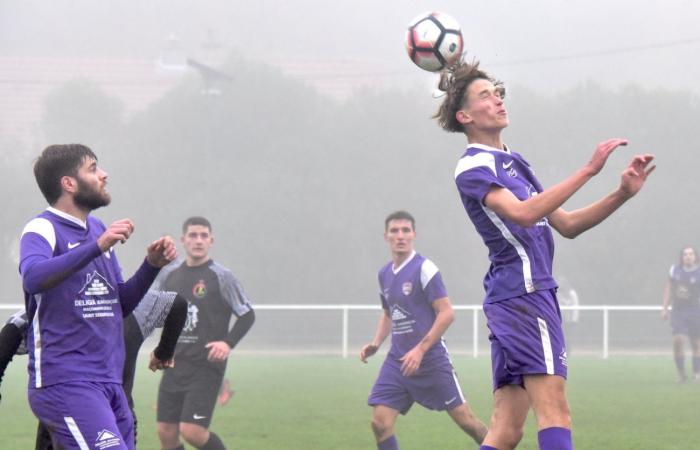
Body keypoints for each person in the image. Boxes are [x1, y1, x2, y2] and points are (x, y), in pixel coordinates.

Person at [435, 61, 655, 450]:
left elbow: (567, 224)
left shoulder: (515, 163)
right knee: (554, 410)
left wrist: (621, 193)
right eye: (485, 95)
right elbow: (523, 213)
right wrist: (588, 170)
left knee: (506, 430)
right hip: (525, 295)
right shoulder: (471, 167)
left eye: (498, 92)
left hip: (516, 297)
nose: (498, 99)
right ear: (464, 116)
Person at [19, 143, 177, 450]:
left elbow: (120, 305)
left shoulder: (98, 229)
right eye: (93, 168)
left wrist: (151, 267)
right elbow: (33, 277)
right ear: (69, 183)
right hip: (67, 383)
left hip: (109, 382)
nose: (103, 175)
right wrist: (96, 247)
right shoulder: (42, 228)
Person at [360, 210, 488, 450]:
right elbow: (389, 313)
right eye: (395, 231)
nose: (400, 236)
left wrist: (420, 350)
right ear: (385, 236)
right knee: (380, 423)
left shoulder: (425, 268)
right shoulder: (384, 274)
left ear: (414, 235)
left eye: (405, 231)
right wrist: (376, 343)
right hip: (398, 362)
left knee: (467, 422)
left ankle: (499, 445)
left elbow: (447, 313)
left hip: (431, 360)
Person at [0, 289, 188, 449]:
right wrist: (163, 352)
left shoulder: (53, 305)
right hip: (117, 420)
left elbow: (13, 329)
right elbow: (177, 304)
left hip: (62, 423)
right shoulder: (132, 299)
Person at [155, 216, 256, 450]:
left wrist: (227, 344)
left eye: (203, 236)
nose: (198, 240)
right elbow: (162, 315)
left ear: (211, 241)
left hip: (206, 367)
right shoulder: (170, 275)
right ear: (183, 240)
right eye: (192, 235)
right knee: (166, 433)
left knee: (193, 430)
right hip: (175, 365)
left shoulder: (221, 276)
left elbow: (247, 314)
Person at [661, 246, 700, 383]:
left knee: (696, 344)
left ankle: (696, 372)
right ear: (682, 257)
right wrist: (664, 308)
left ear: (695, 257)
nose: (688, 256)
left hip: (695, 310)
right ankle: (681, 374)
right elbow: (668, 289)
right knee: (678, 341)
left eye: (691, 254)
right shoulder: (674, 271)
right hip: (678, 311)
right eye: (685, 254)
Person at [556, 276, 580, 353]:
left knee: (568, 337)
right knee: (560, 336)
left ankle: (568, 352)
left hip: (569, 320)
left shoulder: (571, 293)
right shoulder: (558, 293)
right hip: (560, 319)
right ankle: (560, 351)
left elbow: (576, 306)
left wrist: (574, 319)